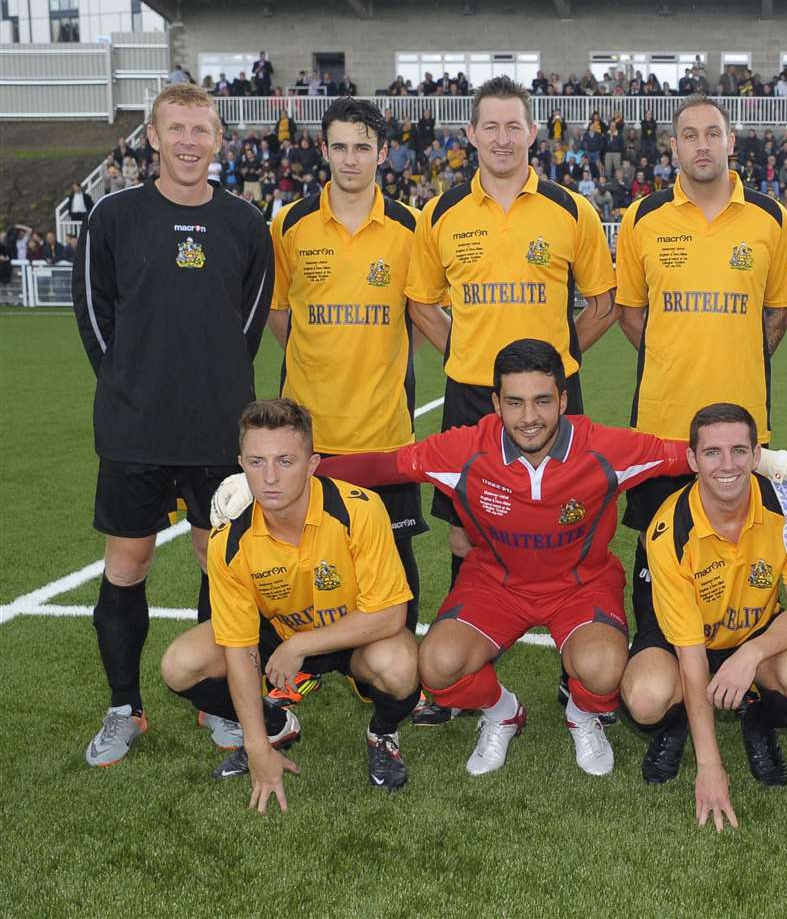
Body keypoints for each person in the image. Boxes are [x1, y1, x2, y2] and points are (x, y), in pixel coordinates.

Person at [217, 339, 696, 777]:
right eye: (514, 402)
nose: (528, 416)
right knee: (437, 666)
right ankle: (503, 711)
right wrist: (290, 473)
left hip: (580, 585)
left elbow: (692, 456)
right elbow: (382, 466)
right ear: (496, 404)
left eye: (542, 400)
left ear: (563, 401)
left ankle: (582, 713)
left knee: (604, 671)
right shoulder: (466, 449)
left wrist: (768, 463)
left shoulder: (605, 447)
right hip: (496, 584)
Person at [71, 83, 273, 767]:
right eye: (176, 129)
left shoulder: (245, 223)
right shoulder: (114, 216)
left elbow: (248, 324)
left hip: (218, 429)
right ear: (153, 137)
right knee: (128, 564)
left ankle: (216, 704)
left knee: (217, 565)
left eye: (201, 130)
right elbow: (95, 319)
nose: (189, 141)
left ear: (218, 140)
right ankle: (124, 709)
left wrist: (211, 390)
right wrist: (132, 386)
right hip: (134, 429)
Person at [405, 76, 616, 709]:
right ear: (470, 135)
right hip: (473, 396)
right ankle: (469, 654)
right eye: (489, 126)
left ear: (533, 132)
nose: (502, 138)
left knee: (569, 521)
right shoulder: (441, 214)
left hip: (553, 401)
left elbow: (604, 304)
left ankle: (575, 658)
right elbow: (420, 303)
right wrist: (470, 359)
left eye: (513, 126)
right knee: (465, 534)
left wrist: (554, 369)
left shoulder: (569, 208)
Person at [614, 94, 787, 685]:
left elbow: (777, 315)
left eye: (712, 134)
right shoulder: (643, 218)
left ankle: (748, 679)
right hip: (663, 423)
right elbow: (631, 314)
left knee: (749, 548)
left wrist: (735, 355)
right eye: (689, 135)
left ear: (730, 142)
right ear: (674, 146)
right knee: (656, 548)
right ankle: (661, 662)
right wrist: (675, 354)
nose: (701, 145)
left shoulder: (770, 218)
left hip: (745, 428)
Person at [163, 399, 418, 808]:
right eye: (257, 462)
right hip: (277, 629)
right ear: (241, 464)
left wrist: (300, 646)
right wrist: (257, 744)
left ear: (313, 464)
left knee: (401, 665)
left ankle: (383, 732)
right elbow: (240, 647)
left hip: (353, 633)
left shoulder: (360, 509)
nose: (270, 478)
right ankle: (276, 724)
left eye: (285, 461)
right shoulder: (228, 541)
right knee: (181, 664)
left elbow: (390, 613)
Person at [266, 98, 426, 694]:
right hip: (308, 436)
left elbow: (423, 312)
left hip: (384, 433)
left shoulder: (412, 227)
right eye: (340, 146)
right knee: (297, 558)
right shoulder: (290, 224)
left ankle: (385, 681)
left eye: (364, 146)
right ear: (323, 150)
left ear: (383, 153)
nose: (351, 158)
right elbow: (281, 316)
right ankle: (296, 671)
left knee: (396, 566)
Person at [620, 404, 787, 827]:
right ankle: (676, 727)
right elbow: (692, 654)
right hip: (685, 639)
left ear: (756, 455)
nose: (727, 465)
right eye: (712, 453)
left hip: (753, 633)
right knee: (645, 698)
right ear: (693, 460)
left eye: (739, 450)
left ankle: (756, 715)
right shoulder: (669, 530)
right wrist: (709, 765)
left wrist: (750, 655)